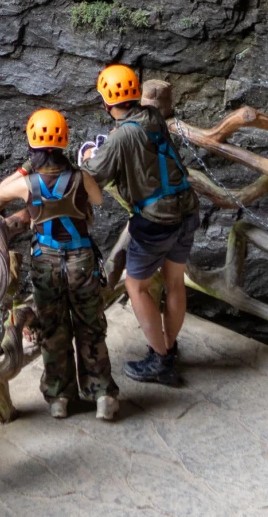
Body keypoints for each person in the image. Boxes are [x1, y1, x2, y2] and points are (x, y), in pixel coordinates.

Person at [0, 109, 118, 422]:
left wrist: (25, 168)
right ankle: (101, 394)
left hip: (46, 261)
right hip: (81, 260)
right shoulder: (80, 177)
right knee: (91, 326)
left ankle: (59, 397)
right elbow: (98, 200)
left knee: (53, 329)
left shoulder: (29, 184)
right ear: (64, 140)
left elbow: (0, 192)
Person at [79, 64, 199, 386]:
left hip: (157, 221)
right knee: (175, 282)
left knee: (136, 287)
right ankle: (168, 348)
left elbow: (93, 176)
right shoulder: (153, 116)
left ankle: (161, 362)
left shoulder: (120, 138)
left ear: (106, 103)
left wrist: (91, 153)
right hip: (187, 208)